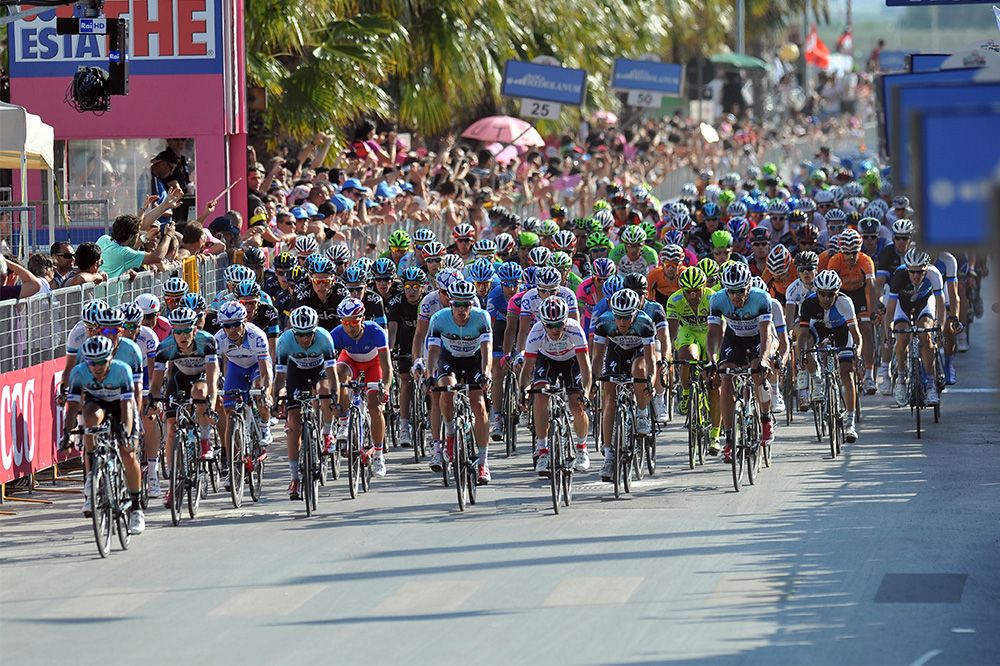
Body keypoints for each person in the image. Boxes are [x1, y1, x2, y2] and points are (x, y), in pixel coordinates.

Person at [63, 336, 145, 534]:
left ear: (110, 358)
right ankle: (93, 477)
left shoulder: (121, 370)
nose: (97, 368)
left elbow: (127, 406)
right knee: (89, 419)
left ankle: (136, 508)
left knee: (128, 453)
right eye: (92, 363)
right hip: (97, 403)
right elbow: (73, 407)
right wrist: (66, 433)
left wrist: (126, 431)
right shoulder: (79, 372)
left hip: (120, 405)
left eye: (101, 362)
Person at [147, 307, 220, 507]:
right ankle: (172, 483)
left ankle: (205, 440)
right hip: (179, 378)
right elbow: (156, 384)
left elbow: (213, 379)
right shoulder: (165, 348)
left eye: (186, 330)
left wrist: (211, 403)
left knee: (199, 394)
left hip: (202, 377)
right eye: (177, 331)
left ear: (194, 330)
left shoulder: (207, 341)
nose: (182, 336)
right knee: (171, 426)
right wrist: (153, 402)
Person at [426, 280, 493, 484]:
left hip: (474, 360)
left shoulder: (482, 317)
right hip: (450, 359)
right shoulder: (439, 318)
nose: (462, 310)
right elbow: (433, 351)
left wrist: (486, 373)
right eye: (457, 305)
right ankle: (450, 433)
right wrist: (430, 375)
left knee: (479, 404)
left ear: (472, 304)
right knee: (446, 390)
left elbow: (486, 349)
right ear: (450, 304)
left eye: (466, 305)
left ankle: (483, 462)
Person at [706, 262, 774, 461]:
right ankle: (729, 439)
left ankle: (765, 418)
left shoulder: (761, 298)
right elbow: (713, 334)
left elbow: (766, 334)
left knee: (757, 372)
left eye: (740, 291)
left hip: (756, 339)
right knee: (725, 377)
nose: (736, 296)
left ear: (749, 287)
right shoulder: (717, 300)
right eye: (731, 291)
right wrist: (712, 360)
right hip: (734, 338)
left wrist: (763, 359)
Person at [519, 296, 593, 475]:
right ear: (542, 323)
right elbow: (528, 368)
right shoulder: (536, 332)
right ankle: (543, 449)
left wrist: (587, 393)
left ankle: (582, 448)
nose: (555, 329)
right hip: (547, 361)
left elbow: (585, 368)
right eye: (549, 325)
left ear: (565, 321)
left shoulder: (575, 329)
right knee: (540, 396)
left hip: (572, 362)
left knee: (577, 404)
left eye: (559, 324)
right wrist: (523, 392)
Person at [591, 288, 656, 482]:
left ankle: (642, 413)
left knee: (639, 370)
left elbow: (650, 358)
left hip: (638, 353)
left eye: (627, 317)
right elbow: (597, 357)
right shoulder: (604, 322)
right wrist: (595, 380)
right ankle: (609, 456)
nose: (622, 322)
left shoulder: (645, 322)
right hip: (616, 352)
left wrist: (650, 380)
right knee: (609, 396)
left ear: (635, 313)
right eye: (619, 317)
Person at [274, 306, 338, 500]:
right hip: (296, 373)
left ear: (315, 330)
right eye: (300, 335)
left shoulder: (325, 338)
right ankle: (295, 478)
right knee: (293, 422)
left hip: (319, 371)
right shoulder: (284, 342)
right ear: (294, 332)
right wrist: (278, 398)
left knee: (325, 391)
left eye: (308, 334)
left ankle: (327, 432)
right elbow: (280, 376)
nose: (304, 339)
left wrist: (335, 396)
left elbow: (332, 374)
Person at [213, 301, 273, 489]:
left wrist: (267, 391)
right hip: (236, 368)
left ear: (244, 321)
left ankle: (263, 425)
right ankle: (233, 466)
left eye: (236, 324)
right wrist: (215, 387)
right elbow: (214, 369)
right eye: (227, 326)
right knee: (229, 411)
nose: (231, 330)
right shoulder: (219, 339)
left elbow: (265, 373)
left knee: (259, 391)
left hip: (256, 367)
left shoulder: (257, 336)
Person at [330, 297, 393, 478]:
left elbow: (387, 366)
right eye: (345, 322)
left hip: (374, 364)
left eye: (353, 322)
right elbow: (326, 362)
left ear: (362, 319)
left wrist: (386, 388)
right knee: (339, 373)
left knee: (375, 407)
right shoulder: (337, 333)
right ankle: (343, 422)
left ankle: (379, 455)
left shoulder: (376, 332)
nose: (349, 327)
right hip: (350, 362)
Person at [798, 270, 863, 442]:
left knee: (846, 374)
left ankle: (850, 422)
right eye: (822, 294)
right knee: (807, 342)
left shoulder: (845, 302)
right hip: (819, 328)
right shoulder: (808, 304)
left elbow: (855, 334)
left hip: (841, 330)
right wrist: (802, 355)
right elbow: (803, 335)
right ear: (816, 292)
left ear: (837, 293)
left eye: (831, 295)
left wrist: (858, 352)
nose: (826, 298)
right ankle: (817, 378)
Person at [886, 249, 945, 408]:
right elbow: (890, 310)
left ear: (926, 268)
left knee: (926, 334)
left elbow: (940, 304)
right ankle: (901, 379)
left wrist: (939, 327)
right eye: (912, 272)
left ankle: (931, 384)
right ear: (907, 269)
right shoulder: (898, 276)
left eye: (920, 272)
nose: (916, 276)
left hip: (924, 303)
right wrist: (888, 332)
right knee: (902, 336)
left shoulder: (934, 274)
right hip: (903, 305)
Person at [387, 266, 428, 446]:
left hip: (425, 338)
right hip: (405, 338)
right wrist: (390, 348)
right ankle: (404, 426)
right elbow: (393, 328)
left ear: (422, 287)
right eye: (407, 286)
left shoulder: (427, 301)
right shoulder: (396, 301)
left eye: (415, 286)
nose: (411, 291)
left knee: (430, 380)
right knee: (405, 382)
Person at [96, 214, 173, 278]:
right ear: (130, 237)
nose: (138, 237)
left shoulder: (103, 239)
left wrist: (126, 270)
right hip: (111, 296)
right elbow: (157, 257)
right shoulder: (124, 253)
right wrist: (168, 235)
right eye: (137, 235)